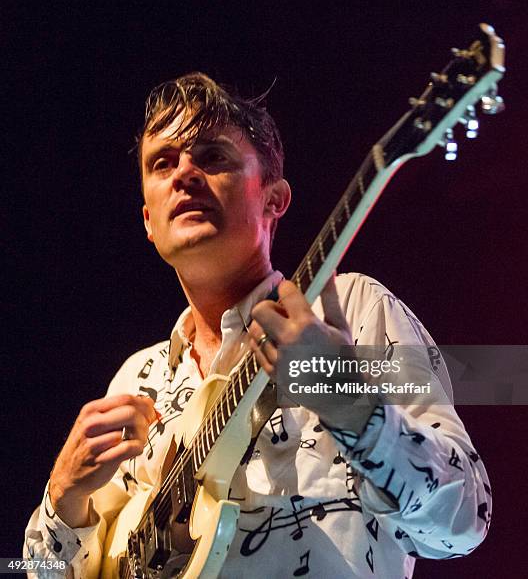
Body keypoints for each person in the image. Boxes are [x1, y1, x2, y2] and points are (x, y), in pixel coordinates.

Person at [24, 72, 491, 578]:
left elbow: (464, 521)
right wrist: (61, 500)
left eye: (212, 156)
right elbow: (32, 569)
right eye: (163, 162)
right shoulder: (137, 378)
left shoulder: (354, 309)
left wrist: (346, 401)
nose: (184, 174)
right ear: (147, 221)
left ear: (274, 199)